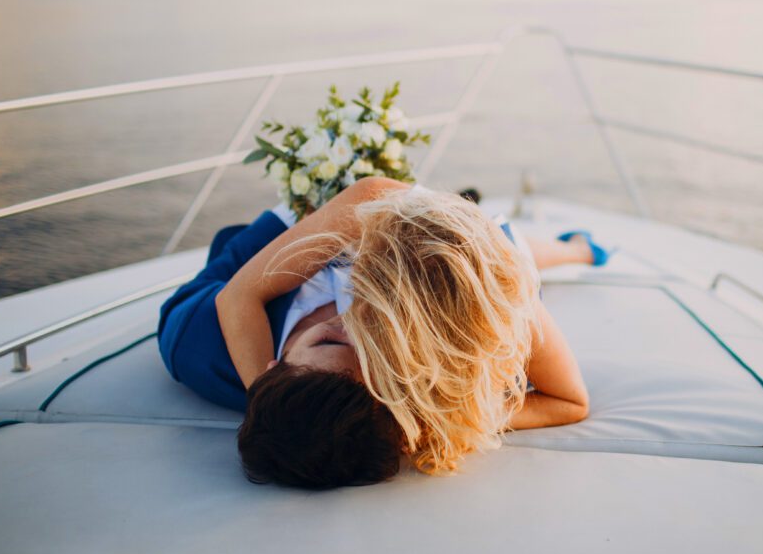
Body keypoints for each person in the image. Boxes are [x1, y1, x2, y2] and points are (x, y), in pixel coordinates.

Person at [158, 177, 595, 488]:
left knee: (337, 211)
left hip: (306, 240)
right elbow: (570, 401)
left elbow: (373, 193)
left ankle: (444, 208)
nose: (354, 324)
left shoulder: (195, 345)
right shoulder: (454, 335)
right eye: (374, 358)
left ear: (272, 367)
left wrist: (262, 391)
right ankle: (576, 249)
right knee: (507, 250)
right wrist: (439, 421)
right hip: (458, 263)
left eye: (329, 341)